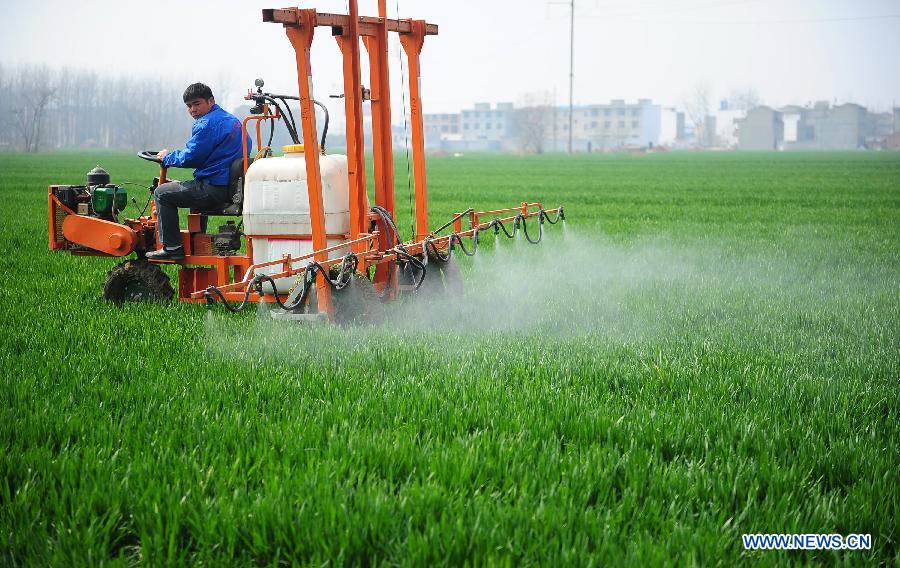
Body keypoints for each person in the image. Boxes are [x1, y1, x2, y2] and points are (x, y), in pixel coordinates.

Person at [146, 83, 250, 260]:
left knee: (162, 193)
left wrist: (167, 157)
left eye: (197, 103)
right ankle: (196, 241)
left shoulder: (206, 124)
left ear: (211, 101)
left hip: (214, 188)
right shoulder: (232, 121)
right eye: (189, 106)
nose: (193, 109)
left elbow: (191, 157)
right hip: (231, 189)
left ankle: (172, 248)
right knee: (188, 189)